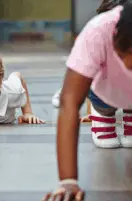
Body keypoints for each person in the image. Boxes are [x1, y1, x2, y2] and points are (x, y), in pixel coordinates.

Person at [43, 1, 132, 200]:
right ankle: (103, 113)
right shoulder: (97, 32)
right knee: (100, 99)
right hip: (105, 91)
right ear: (115, 38)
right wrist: (68, 181)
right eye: (124, 54)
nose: (128, 64)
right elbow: (70, 102)